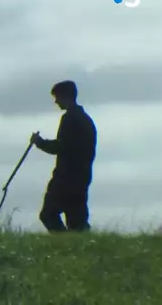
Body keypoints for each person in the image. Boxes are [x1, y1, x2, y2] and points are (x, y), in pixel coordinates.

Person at [30, 80, 97, 233]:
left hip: (66, 177)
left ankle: (64, 243)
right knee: (77, 220)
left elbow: (62, 146)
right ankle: (79, 247)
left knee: (48, 214)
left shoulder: (70, 119)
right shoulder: (86, 120)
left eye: (57, 97)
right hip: (83, 176)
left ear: (65, 96)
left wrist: (40, 143)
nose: (56, 101)